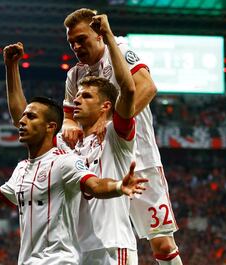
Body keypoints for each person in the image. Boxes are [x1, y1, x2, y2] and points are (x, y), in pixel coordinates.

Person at [0, 96, 148, 265]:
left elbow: (94, 184)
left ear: (51, 127)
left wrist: (119, 186)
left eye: (31, 117)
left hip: (59, 260)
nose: (22, 121)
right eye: (22, 117)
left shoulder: (65, 162)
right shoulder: (21, 169)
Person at [3, 32, 139, 263]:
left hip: (112, 247)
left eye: (86, 96)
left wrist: (106, 35)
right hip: (76, 251)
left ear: (106, 105)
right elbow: (22, 118)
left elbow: (128, 90)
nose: (76, 100)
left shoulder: (117, 135)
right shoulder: (65, 145)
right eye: (76, 95)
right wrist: (11, 67)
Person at [62, 8, 182, 265]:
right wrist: (68, 125)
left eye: (81, 39)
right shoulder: (74, 75)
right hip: (99, 165)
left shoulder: (119, 49)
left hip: (139, 157)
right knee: (99, 242)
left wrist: (113, 123)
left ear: (98, 35)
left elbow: (146, 87)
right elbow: (68, 117)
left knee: (161, 242)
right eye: (71, 42)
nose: (76, 46)